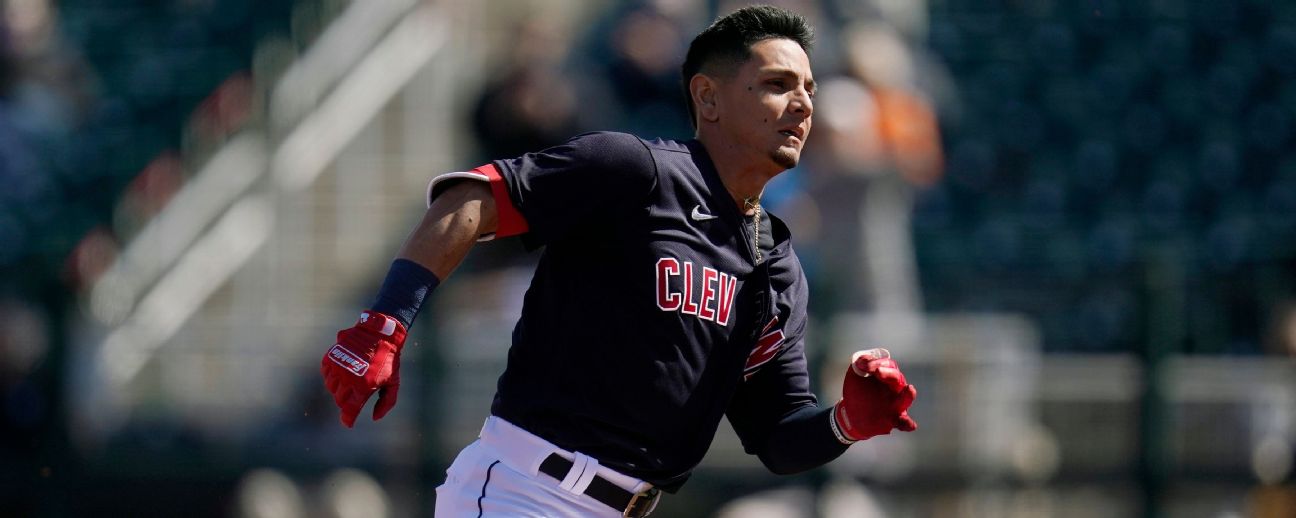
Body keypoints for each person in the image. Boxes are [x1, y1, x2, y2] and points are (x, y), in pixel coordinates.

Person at [319, 5, 918, 517]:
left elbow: (776, 438)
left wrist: (847, 422)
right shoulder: (636, 171)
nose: (802, 104)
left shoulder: (777, 266)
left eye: (809, 89)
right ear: (708, 96)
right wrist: (386, 322)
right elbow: (472, 198)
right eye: (778, 84)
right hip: (524, 491)